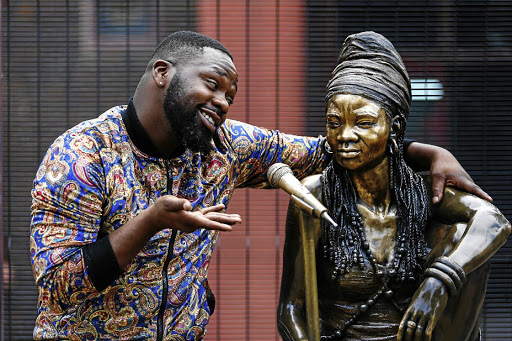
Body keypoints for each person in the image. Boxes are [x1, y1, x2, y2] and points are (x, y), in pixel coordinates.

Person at [31, 31, 492, 341]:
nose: (222, 102)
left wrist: (428, 153)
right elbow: (58, 286)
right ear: (162, 72)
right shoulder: (81, 155)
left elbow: (334, 148)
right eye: (212, 85)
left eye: (230, 95)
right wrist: (151, 222)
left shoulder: (225, 145)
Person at [277, 31, 511, 341]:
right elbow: (291, 310)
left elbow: (494, 221)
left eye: (363, 122)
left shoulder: (423, 193)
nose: (345, 135)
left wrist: (438, 281)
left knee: (459, 236)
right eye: (334, 122)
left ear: (395, 127)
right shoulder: (314, 195)